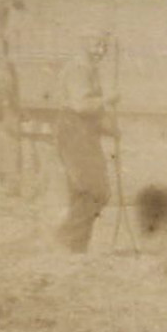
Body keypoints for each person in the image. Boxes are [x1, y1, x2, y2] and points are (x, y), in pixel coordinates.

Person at [54, 32, 117, 253]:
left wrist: (109, 129)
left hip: (83, 132)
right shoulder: (79, 69)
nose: (101, 51)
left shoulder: (89, 69)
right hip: (74, 132)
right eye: (96, 44)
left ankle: (75, 249)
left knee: (82, 192)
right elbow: (80, 105)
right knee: (95, 190)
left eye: (104, 46)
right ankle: (65, 240)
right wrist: (107, 100)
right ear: (83, 42)